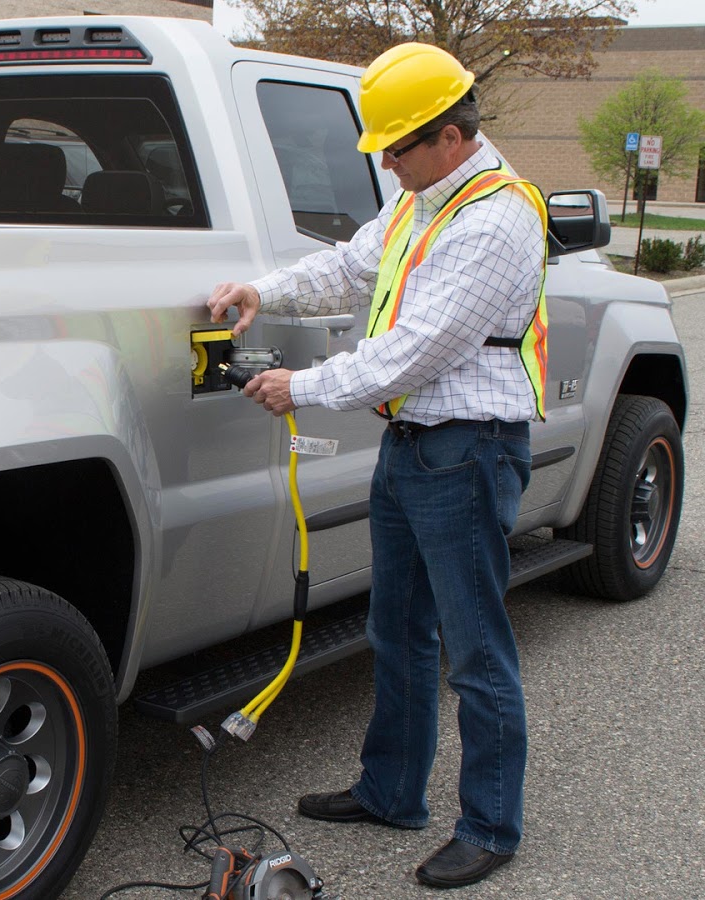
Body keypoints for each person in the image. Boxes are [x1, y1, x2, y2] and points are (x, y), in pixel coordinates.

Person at [206, 42, 549, 890]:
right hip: (413, 448)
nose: (386, 165)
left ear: (449, 135)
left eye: (396, 149)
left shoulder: (495, 219)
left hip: (468, 451)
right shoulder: (424, 198)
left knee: (475, 651)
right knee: (395, 631)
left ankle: (491, 826)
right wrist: (264, 291)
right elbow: (351, 266)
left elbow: (415, 350)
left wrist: (302, 386)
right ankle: (392, 792)